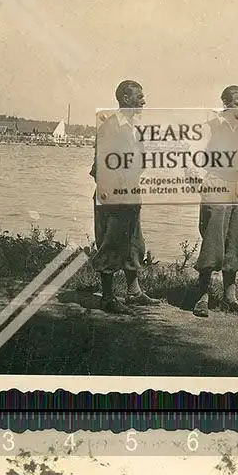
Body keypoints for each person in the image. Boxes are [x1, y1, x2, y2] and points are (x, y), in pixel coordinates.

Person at [90, 80, 161, 315]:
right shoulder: (110, 127)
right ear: (124, 99)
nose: (143, 100)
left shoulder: (134, 127)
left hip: (131, 194)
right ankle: (107, 298)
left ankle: (134, 292)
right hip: (112, 196)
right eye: (138, 96)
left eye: (143, 96)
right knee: (111, 244)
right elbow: (100, 167)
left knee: (134, 244)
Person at [193, 85, 238, 318]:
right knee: (212, 238)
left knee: (236, 239)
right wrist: (204, 182)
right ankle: (203, 295)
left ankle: (230, 297)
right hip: (216, 182)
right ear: (225, 103)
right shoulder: (210, 126)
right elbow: (194, 157)